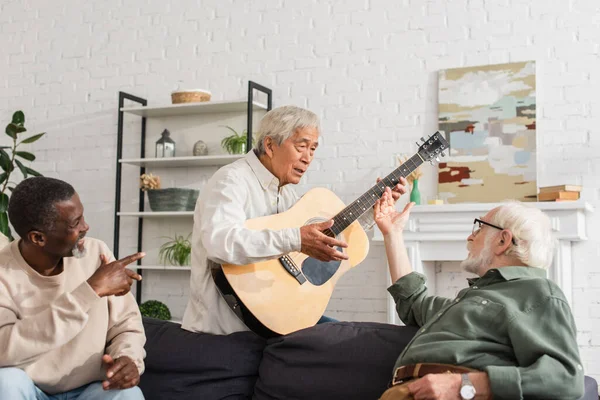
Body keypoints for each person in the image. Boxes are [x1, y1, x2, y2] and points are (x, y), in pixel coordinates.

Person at [182, 105, 408, 337]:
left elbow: (324, 237)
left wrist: (372, 211)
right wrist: (296, 238)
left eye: (313, 149)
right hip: (226, 329)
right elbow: (220, 243)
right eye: (302, 146)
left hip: (274, 320)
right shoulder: (231, 181)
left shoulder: (287, 194)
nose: (308, 158)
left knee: (355, 337)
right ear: (270, 145)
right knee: (345, 341)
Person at [374, 187, 584, 400]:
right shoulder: (470, 302)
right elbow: (413, 301)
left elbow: (565, 379)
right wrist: (393, 234)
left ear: (503, 241)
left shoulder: (536, 292)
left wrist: (463, 385)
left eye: (479, 228)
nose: (470, 236)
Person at [0, 177, 147, 399]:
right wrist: (90, 291)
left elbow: (126, 324)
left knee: (129, 395)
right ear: (38, 238)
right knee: (5, 383)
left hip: (91, 390)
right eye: (75, 223)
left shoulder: (97, 252)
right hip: (30, 390)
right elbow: (4, 349)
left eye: (82, 217)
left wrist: (128, 358)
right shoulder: (3, 270)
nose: (85, 227)